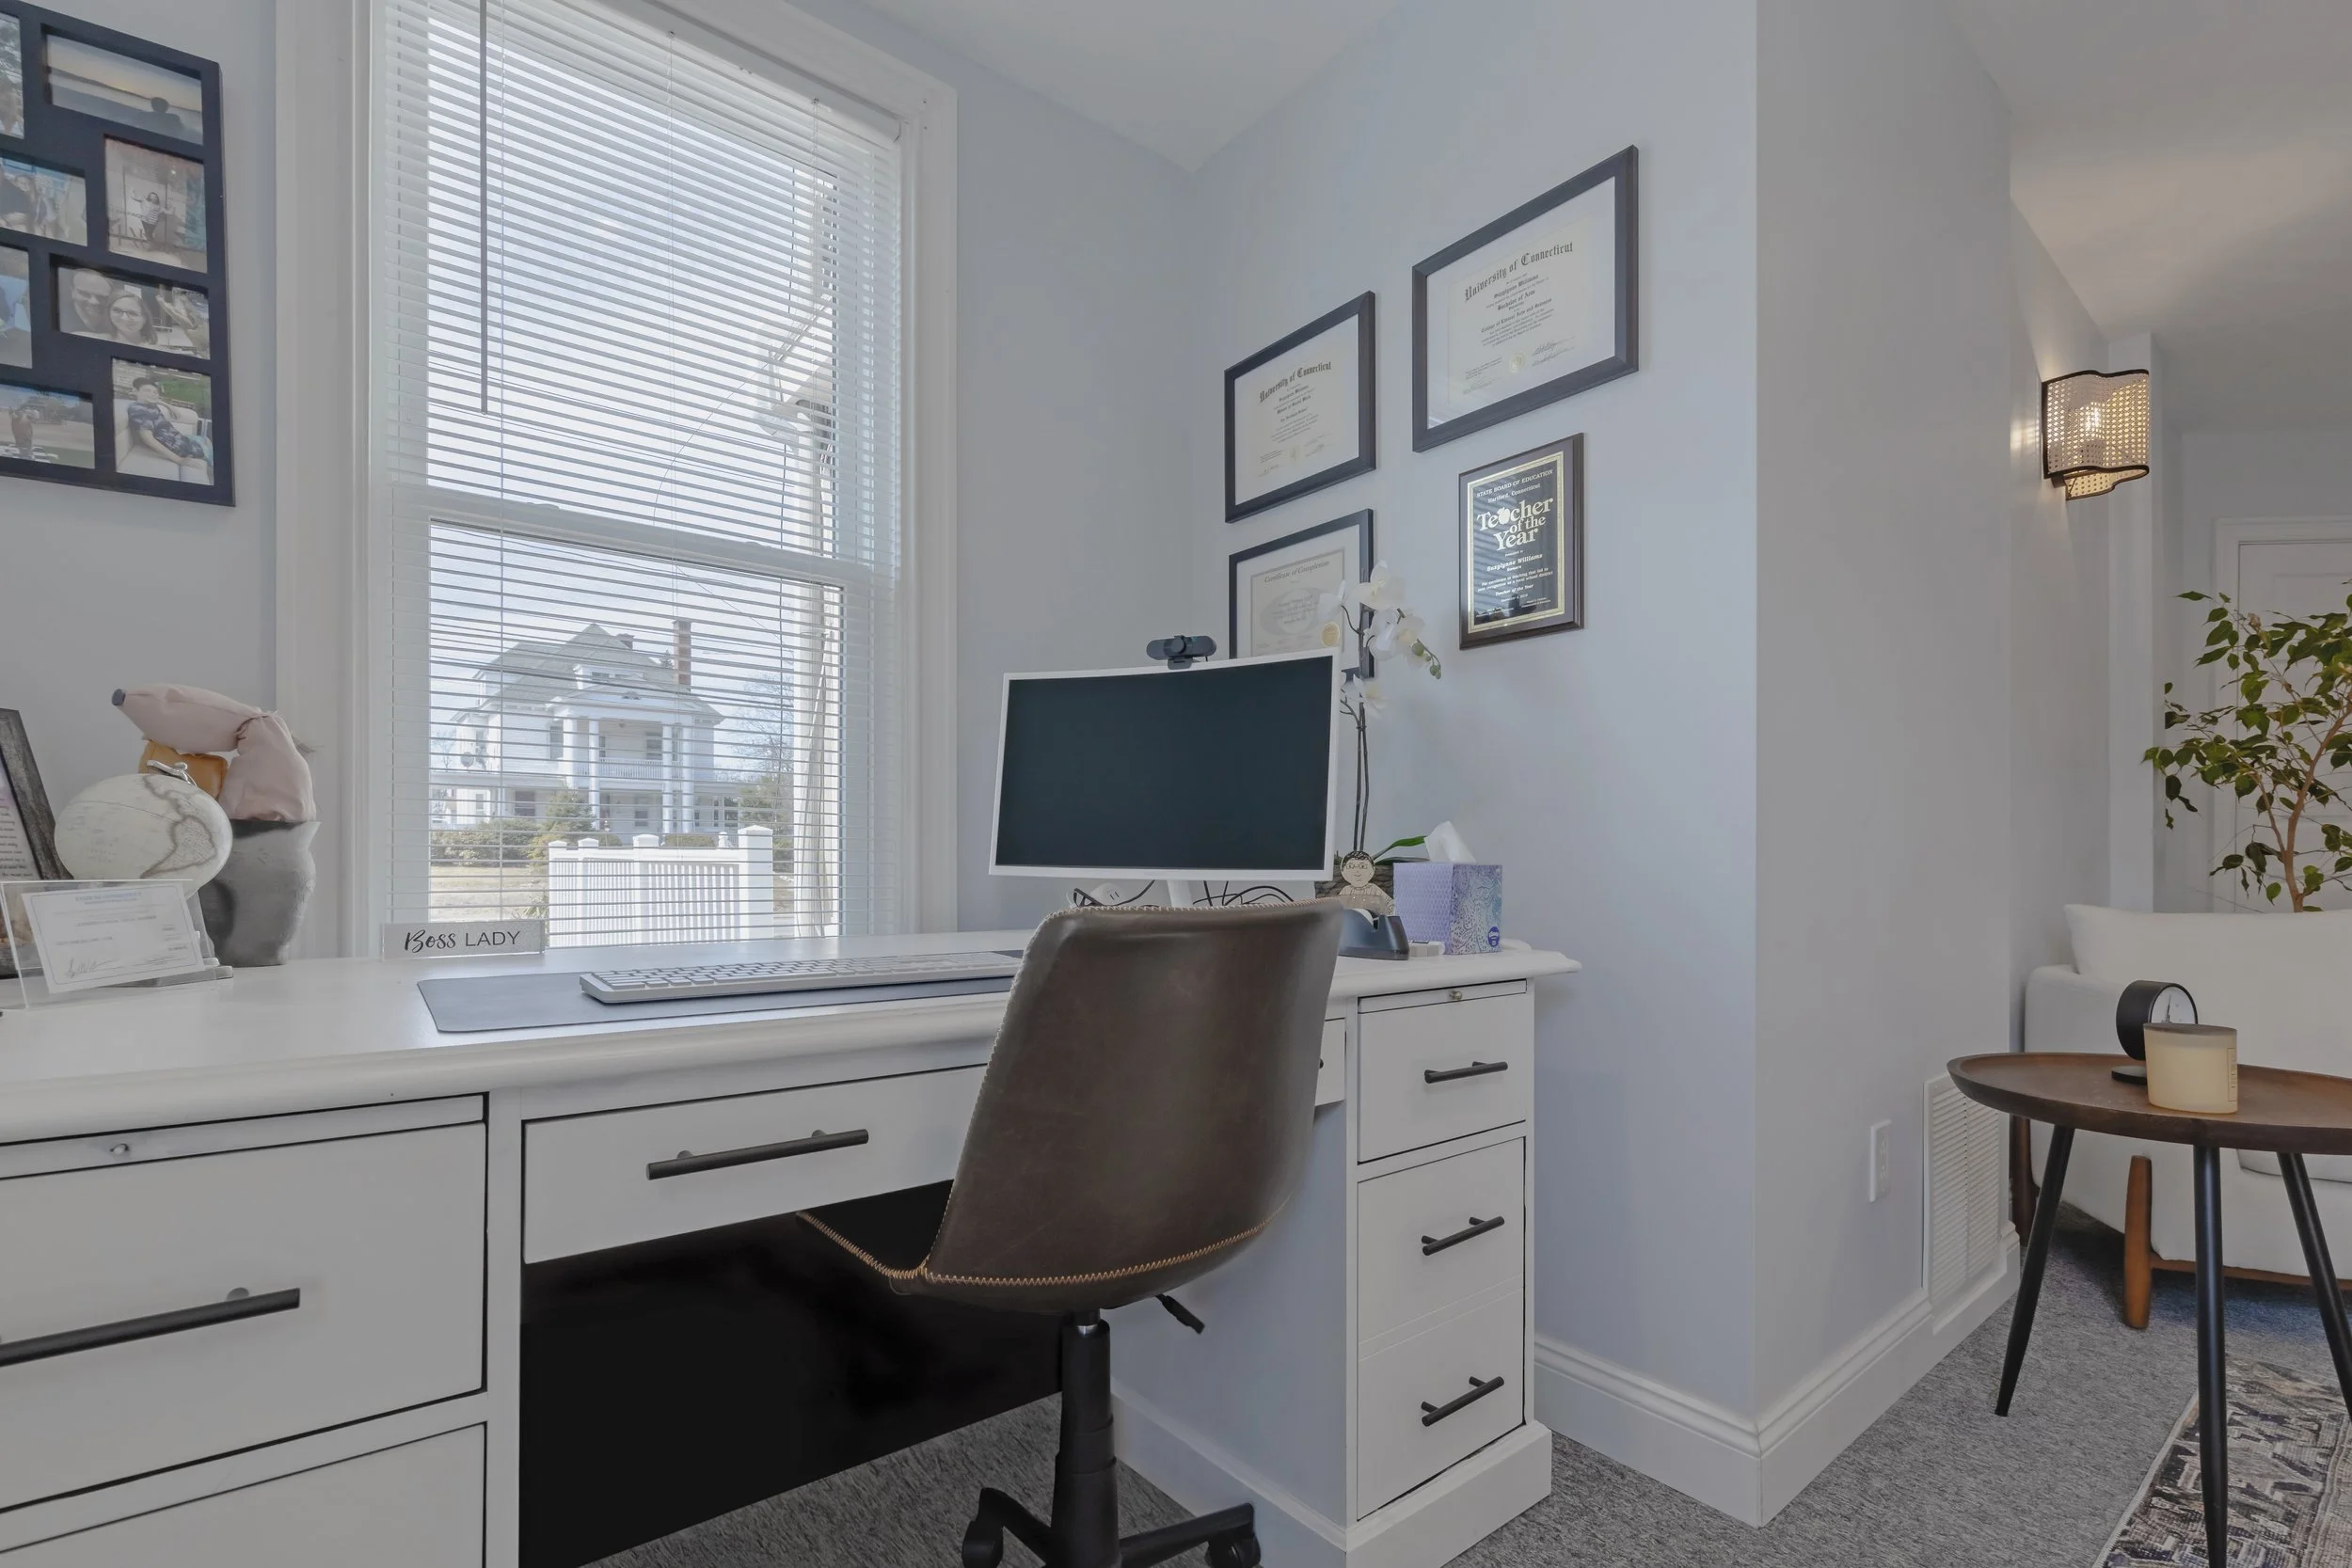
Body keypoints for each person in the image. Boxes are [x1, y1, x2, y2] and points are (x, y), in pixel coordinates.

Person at [123, 374, 211, 479]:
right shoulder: (139, 410)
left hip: (180, 439)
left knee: (206, 440)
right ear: (135, 391)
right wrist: (179, 460)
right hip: (180, 447)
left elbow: (154, 399)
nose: (152, 394)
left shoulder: (147, 404)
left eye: (155, 392)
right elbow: (148, 439)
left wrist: (169, 406)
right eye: (147, 390)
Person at [62, 269, 116, 336]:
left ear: (110, 298)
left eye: (101, 297)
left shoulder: (117, 319)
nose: (93, 302)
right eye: (85, 294)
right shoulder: (61, 320)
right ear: (72, 291)